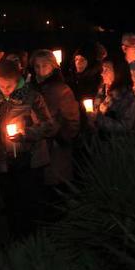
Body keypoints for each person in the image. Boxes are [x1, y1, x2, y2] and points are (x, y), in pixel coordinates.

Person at [0, 60, 56, 241]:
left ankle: (33, 241)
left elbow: (48, 125)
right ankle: (15, 240)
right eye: (0, 85)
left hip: (30, 159)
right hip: (4, 160)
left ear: (17, 80)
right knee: (10, 203)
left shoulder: (32, 97)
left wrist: (26, 133)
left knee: (29, 202)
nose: (5, 89)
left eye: (8, 85)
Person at [30, 49, 81, 189]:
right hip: (36, 148)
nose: (40, 70)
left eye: (44, 65)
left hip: (55, 150)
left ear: (53, 66)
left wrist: (58, 133)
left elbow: (73, 123)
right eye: (37, 66)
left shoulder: (62, 90)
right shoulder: (31, 89)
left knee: (56, 191)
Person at [90, 54, 135, 136]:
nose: (102, 73)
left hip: (114, 145)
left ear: (117, 72)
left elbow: (125, 127)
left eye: (106, 70)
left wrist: (99, 119)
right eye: (102, 69)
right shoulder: (102, 90)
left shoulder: (126, 97)